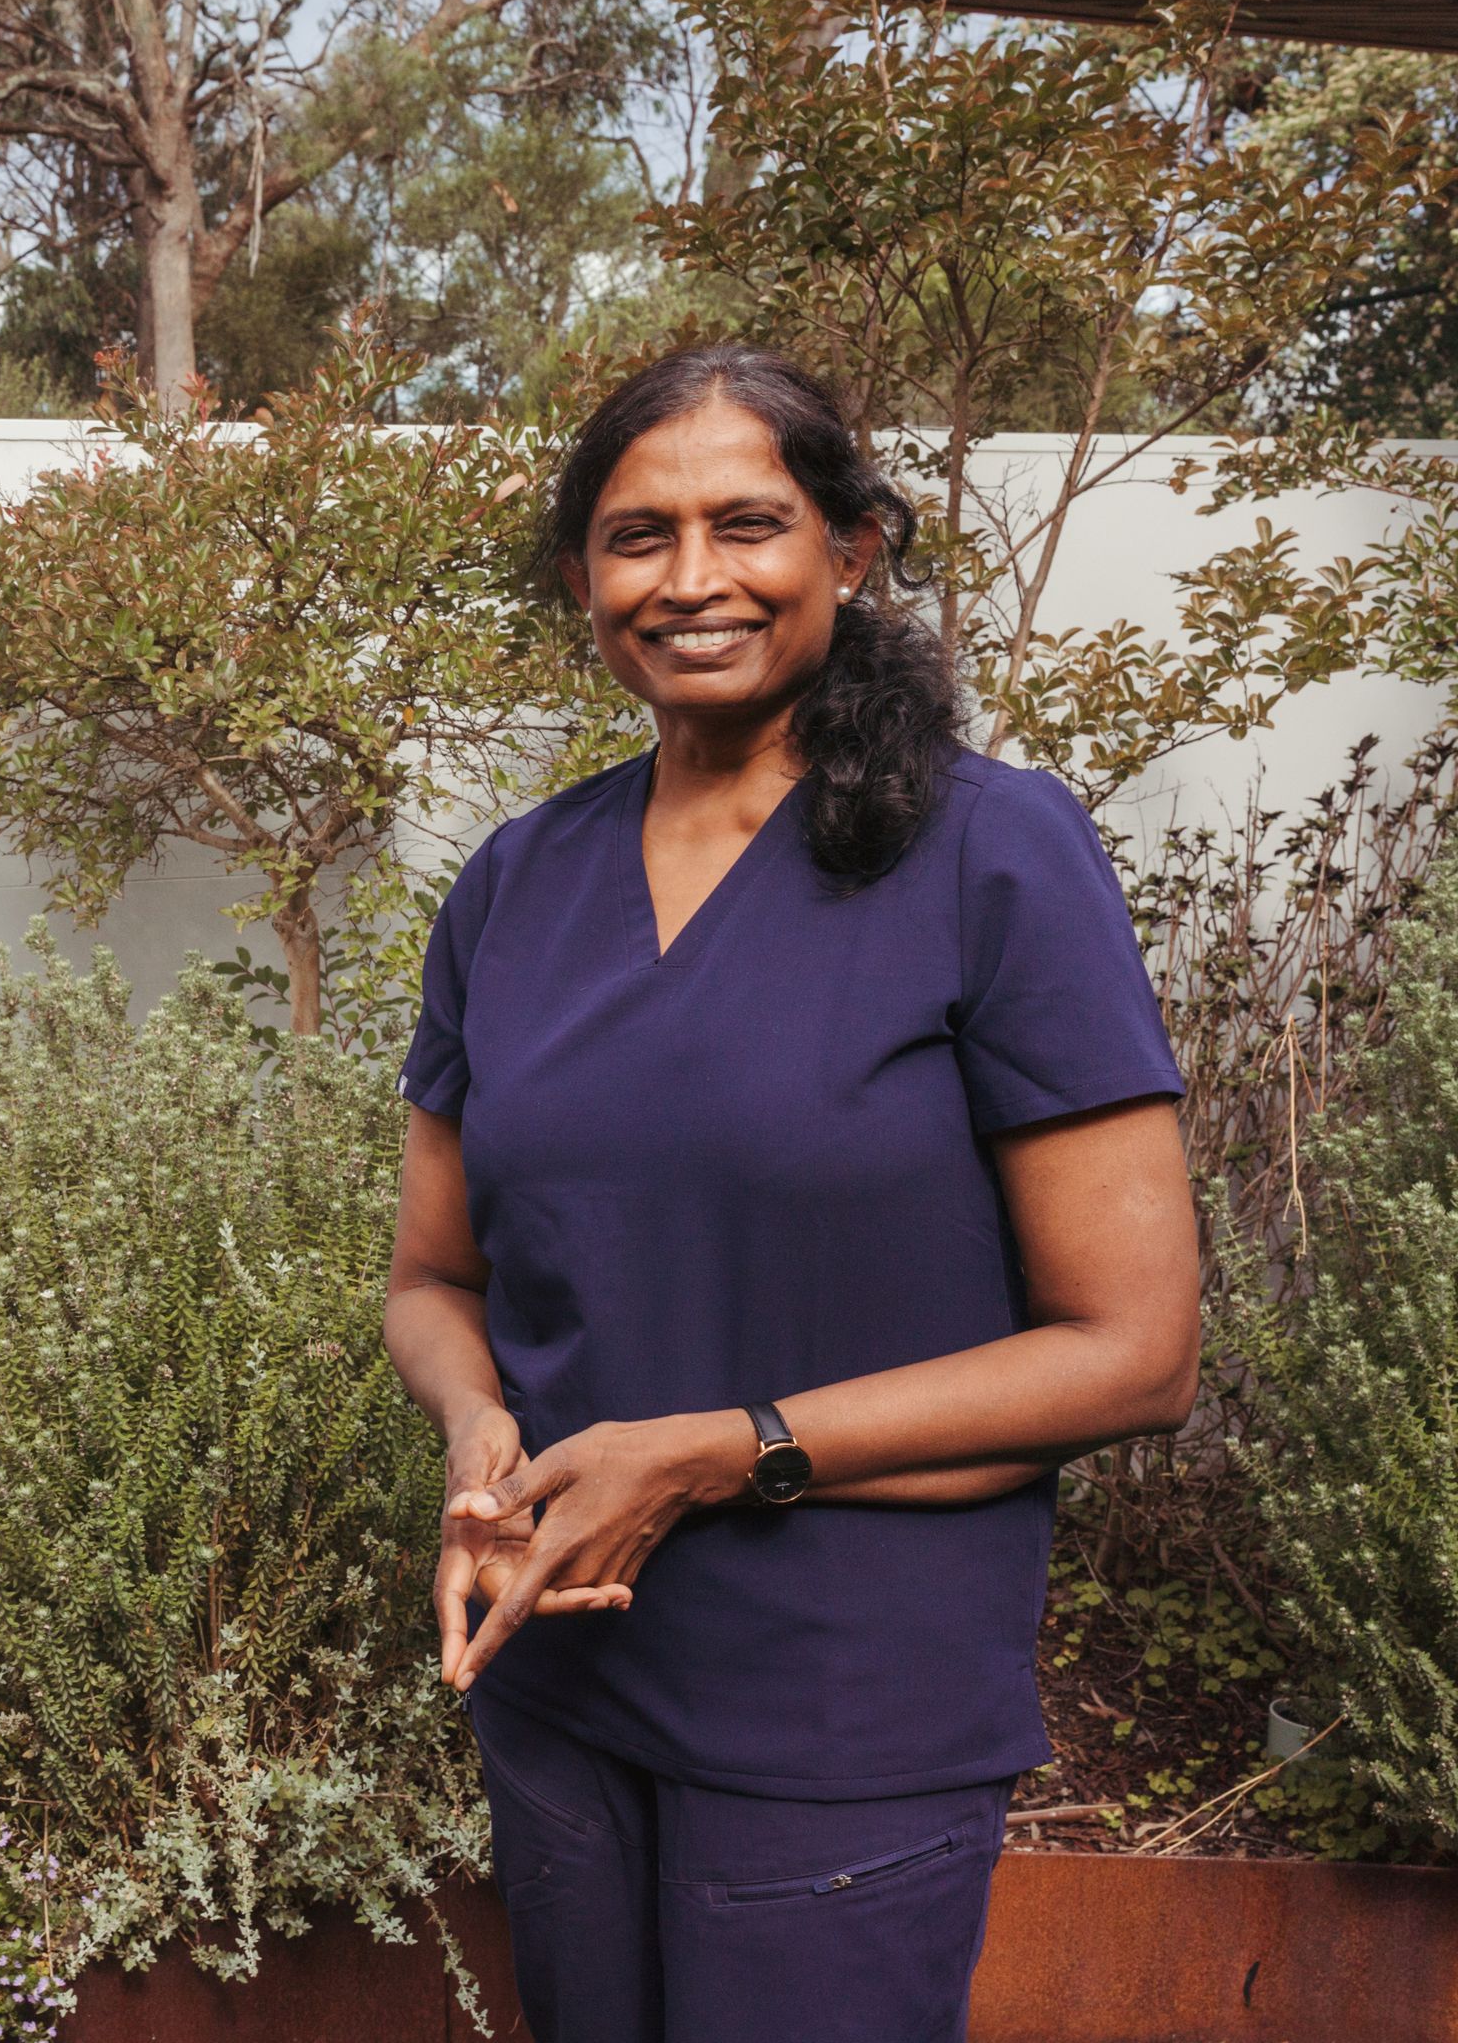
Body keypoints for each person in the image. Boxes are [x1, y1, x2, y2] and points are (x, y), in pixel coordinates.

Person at [381, 345, 1201, 2043]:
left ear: (851, 550)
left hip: (846, 1713)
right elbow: (432, 1283)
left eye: (746, 523)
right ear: (578, 577)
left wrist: (707, 1449)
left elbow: (1134, 1349)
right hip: (562, 1686)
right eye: (636, 536)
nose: (691, 580)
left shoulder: (993, 858)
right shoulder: (516, 886)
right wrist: (477, 1425)